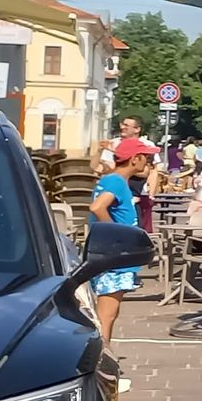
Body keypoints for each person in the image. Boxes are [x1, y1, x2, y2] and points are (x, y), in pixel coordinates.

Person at [89, 138, 157, 343]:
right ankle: (102, 356)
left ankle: (103, 352)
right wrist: (116, 233)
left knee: (109, 313)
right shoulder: (116, 181)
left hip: (114, 256)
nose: (148, 162)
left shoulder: (114, 180)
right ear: (134, 159)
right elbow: (97, 207)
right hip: (114, 257)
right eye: (146, 157)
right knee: (106, 315)